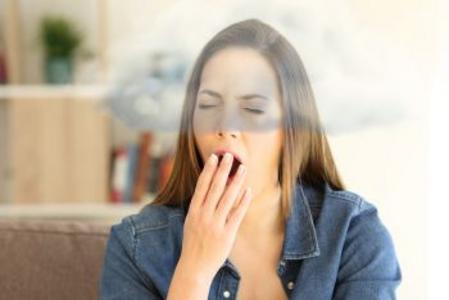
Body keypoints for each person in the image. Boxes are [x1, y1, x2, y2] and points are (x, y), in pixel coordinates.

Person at [99, 18, 401, 300]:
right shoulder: (136, 246)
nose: (226, 127)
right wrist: (194, 270)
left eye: (253, 109)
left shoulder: (354, 235)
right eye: (207, 104)